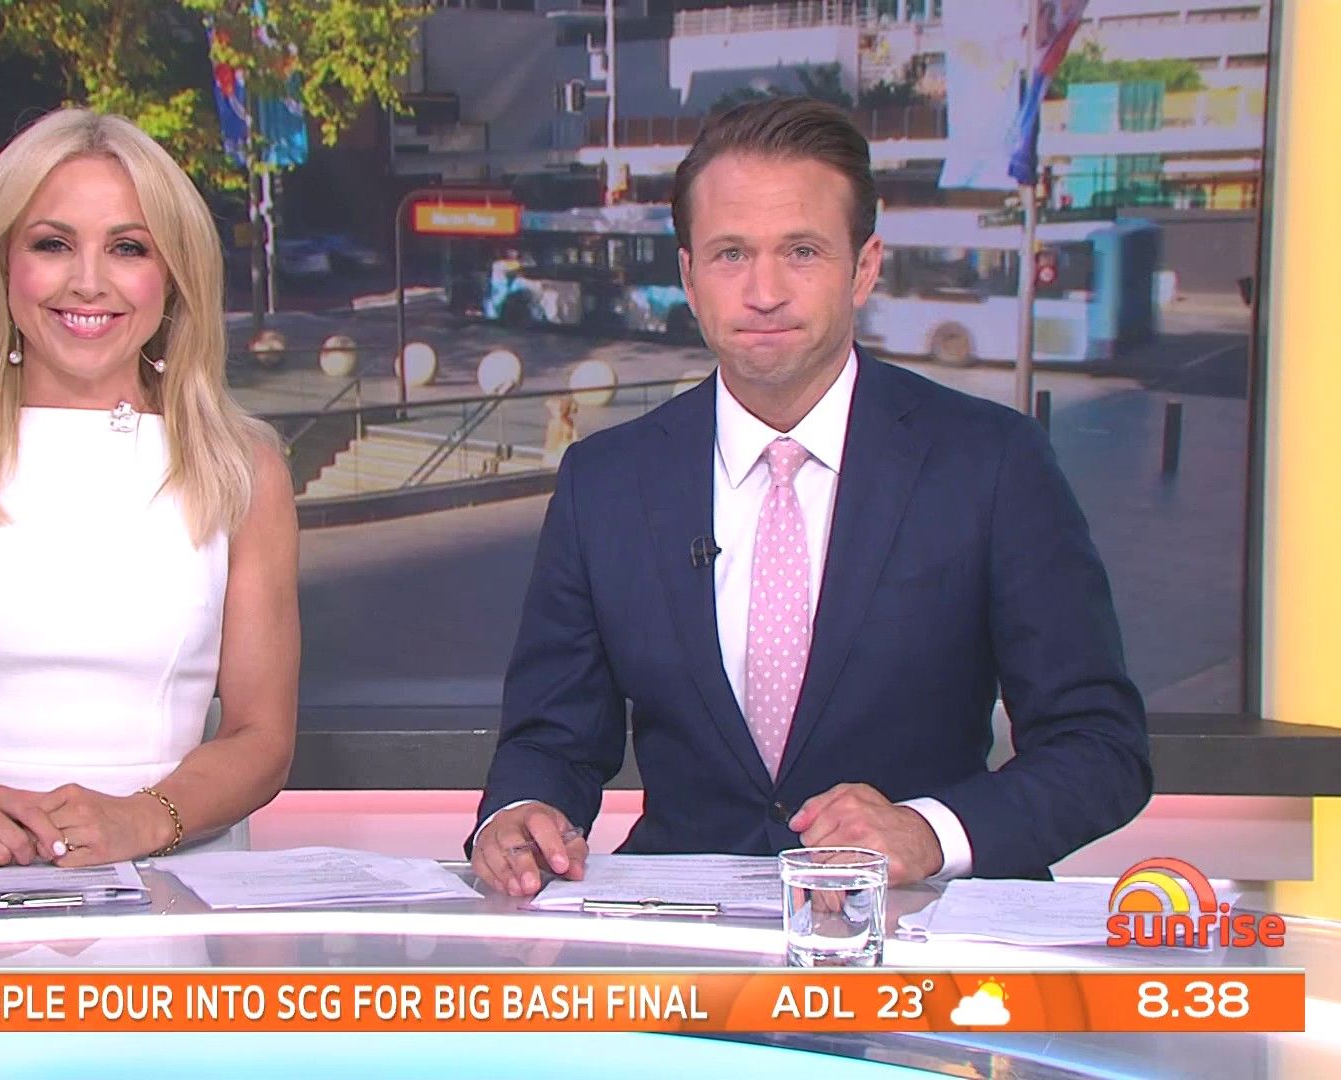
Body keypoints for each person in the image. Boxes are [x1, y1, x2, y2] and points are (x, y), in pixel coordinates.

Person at [469, 98, 1150, 894]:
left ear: (864, 267)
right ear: (688, 276)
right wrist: (520, 812)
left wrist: (929, 833)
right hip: (690, 933)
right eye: (730, 254)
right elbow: (551, 740)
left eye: (801, 251)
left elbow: (1099, 747)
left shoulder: (991, 462)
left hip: (918, 935)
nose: (764, 292)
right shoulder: (606, 482)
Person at [0, 109, 299, 870]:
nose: (88, 281)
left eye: (128, 248)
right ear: (1, 264)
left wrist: (142, 819)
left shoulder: (243, 474)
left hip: (167, 893)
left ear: (173, 276)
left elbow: (261, 737)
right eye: (52, 244)